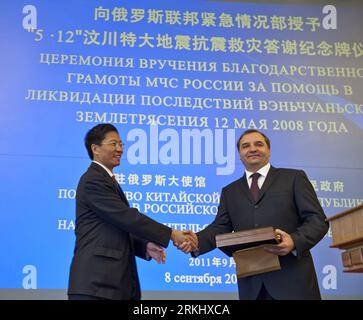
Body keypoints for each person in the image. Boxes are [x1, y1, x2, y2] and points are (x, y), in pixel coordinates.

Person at [179, 129, 329, 300]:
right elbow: (220, 227)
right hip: (252, 286)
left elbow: (317, 220)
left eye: (259, 144)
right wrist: (196, 240)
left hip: (293, 282)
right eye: (245, 146)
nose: (252, 149)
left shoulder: (293, 177)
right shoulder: (230, 191)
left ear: (269, 150)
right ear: (240, 155)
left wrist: (294, 241)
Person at [68, 124, 193, 300]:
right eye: (113, 144)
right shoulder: (93, 180)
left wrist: (144, 246)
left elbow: (115, 227)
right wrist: (171, 234)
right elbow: (127, 218)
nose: (119, 149)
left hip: (108, 286)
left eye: (121, 144)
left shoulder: (106, 180)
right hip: (95, 285)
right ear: (95, 149)